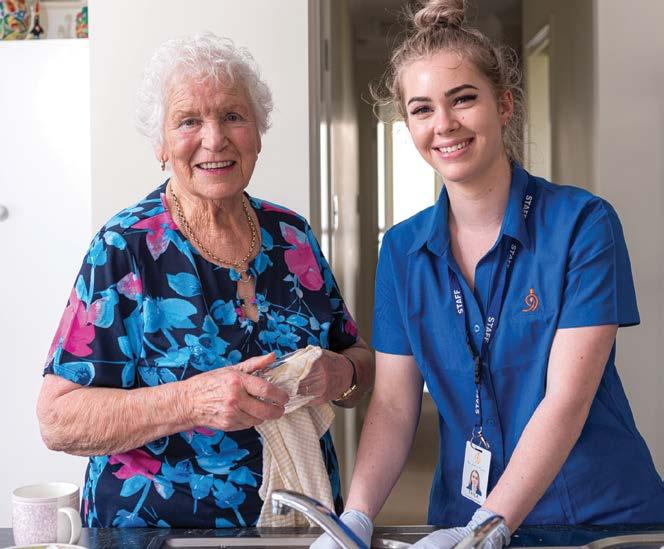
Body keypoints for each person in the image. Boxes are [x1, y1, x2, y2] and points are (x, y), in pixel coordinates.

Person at [312, 1, 664, 548]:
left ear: (504, 105)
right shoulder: (402, 250)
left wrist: (489, 527)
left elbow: (566, 401)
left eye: (463, 99)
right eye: (422, 109)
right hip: (460, 519)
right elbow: (395, 404)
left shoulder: (583, 225)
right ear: (408, 124)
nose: (444, 124)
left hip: (594, 520)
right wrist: (354, 518)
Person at [36, 32, 373, 529]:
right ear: (161, 143)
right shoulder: (125, 247)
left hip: (298, 522)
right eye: (189, 120)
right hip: (155, 531)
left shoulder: (292, 235)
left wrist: (341, 375)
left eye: (233, 116)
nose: (214, 140)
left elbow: (359, 359)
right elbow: (58, 419)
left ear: (258, 134)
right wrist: (191, 401)